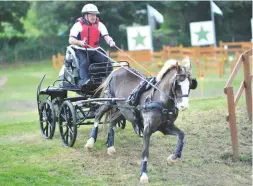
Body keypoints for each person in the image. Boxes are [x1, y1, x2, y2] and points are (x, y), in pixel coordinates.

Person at [69, 3, 116, 87]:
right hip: (82, 50)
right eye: (91, 14)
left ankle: (110, 80)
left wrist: (110, 42)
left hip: (95, 50)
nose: (93, 17)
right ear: (85, 15)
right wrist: (80, 42)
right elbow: (71, 40)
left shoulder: (100, 25)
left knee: (107, 61)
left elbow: (106, 36)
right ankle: (85, 82)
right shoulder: (78, 25)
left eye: (94, 14)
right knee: (84, 63)